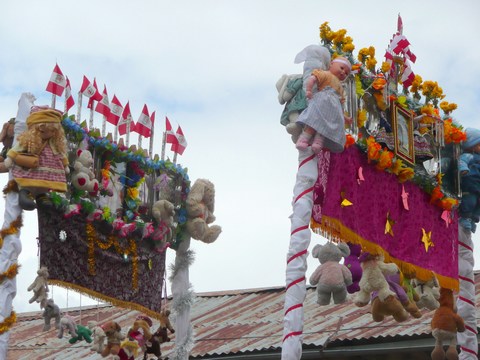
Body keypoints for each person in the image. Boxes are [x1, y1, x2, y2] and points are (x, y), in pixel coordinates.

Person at [4, 106, 69, 211]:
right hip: (33, 167)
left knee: (45, 184)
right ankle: (25, 193)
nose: (48, 134)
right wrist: (10, 158)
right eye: (43, 131)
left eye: (52, 131)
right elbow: (17, 148)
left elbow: (61, 154)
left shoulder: (54, 143)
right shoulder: (30, 141)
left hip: (48, 170)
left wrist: (65, 165)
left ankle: (42, 195)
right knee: (28, 180)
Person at [295, 56, 352, 154]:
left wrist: (344, 117)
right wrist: (308, 90)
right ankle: (304, 139)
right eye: (341, 68)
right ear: (331, 64)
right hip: (321, 102)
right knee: (314, 121)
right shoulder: (326, 74)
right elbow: (312, 79)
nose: (343, 72)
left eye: (346, 73)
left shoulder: (341, 88)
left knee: (325, 127)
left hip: (332, 110)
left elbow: (341, 105)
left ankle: (318, 142)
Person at [458, 127, 480, 232]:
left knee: (478, 204)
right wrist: (463, 169)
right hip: (470, 184)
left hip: (478, 185)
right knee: (470, 201)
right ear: (471, 146)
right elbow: (461, 161)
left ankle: (473, 219)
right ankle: (465, 218)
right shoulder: (468, 156)